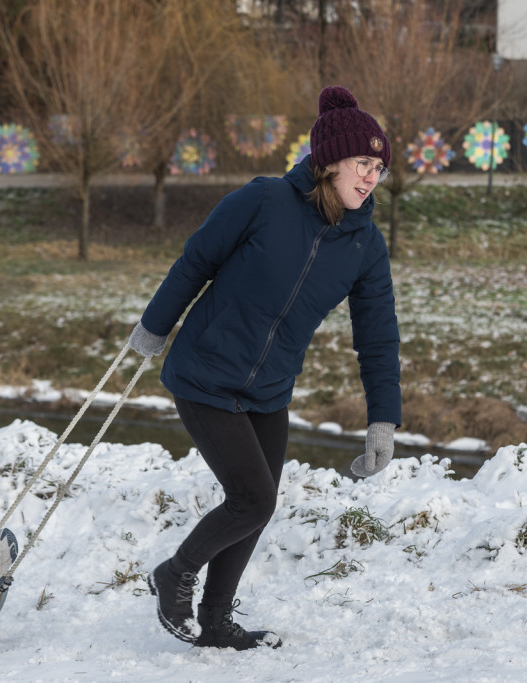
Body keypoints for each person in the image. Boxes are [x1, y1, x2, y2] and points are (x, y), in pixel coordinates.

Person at [129, 85, 401, 651]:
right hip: (205, 374)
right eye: (362, 162)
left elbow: (377, 337)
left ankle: (215, 621)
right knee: (254, 499)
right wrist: (155, 327)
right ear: (329, 162)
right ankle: (175, 574)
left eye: (378, 166)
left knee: (255, 506)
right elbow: (196, 260)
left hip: (269, 391)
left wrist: (383, 419)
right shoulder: (264, 201)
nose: (372, 175)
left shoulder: (365, 247)